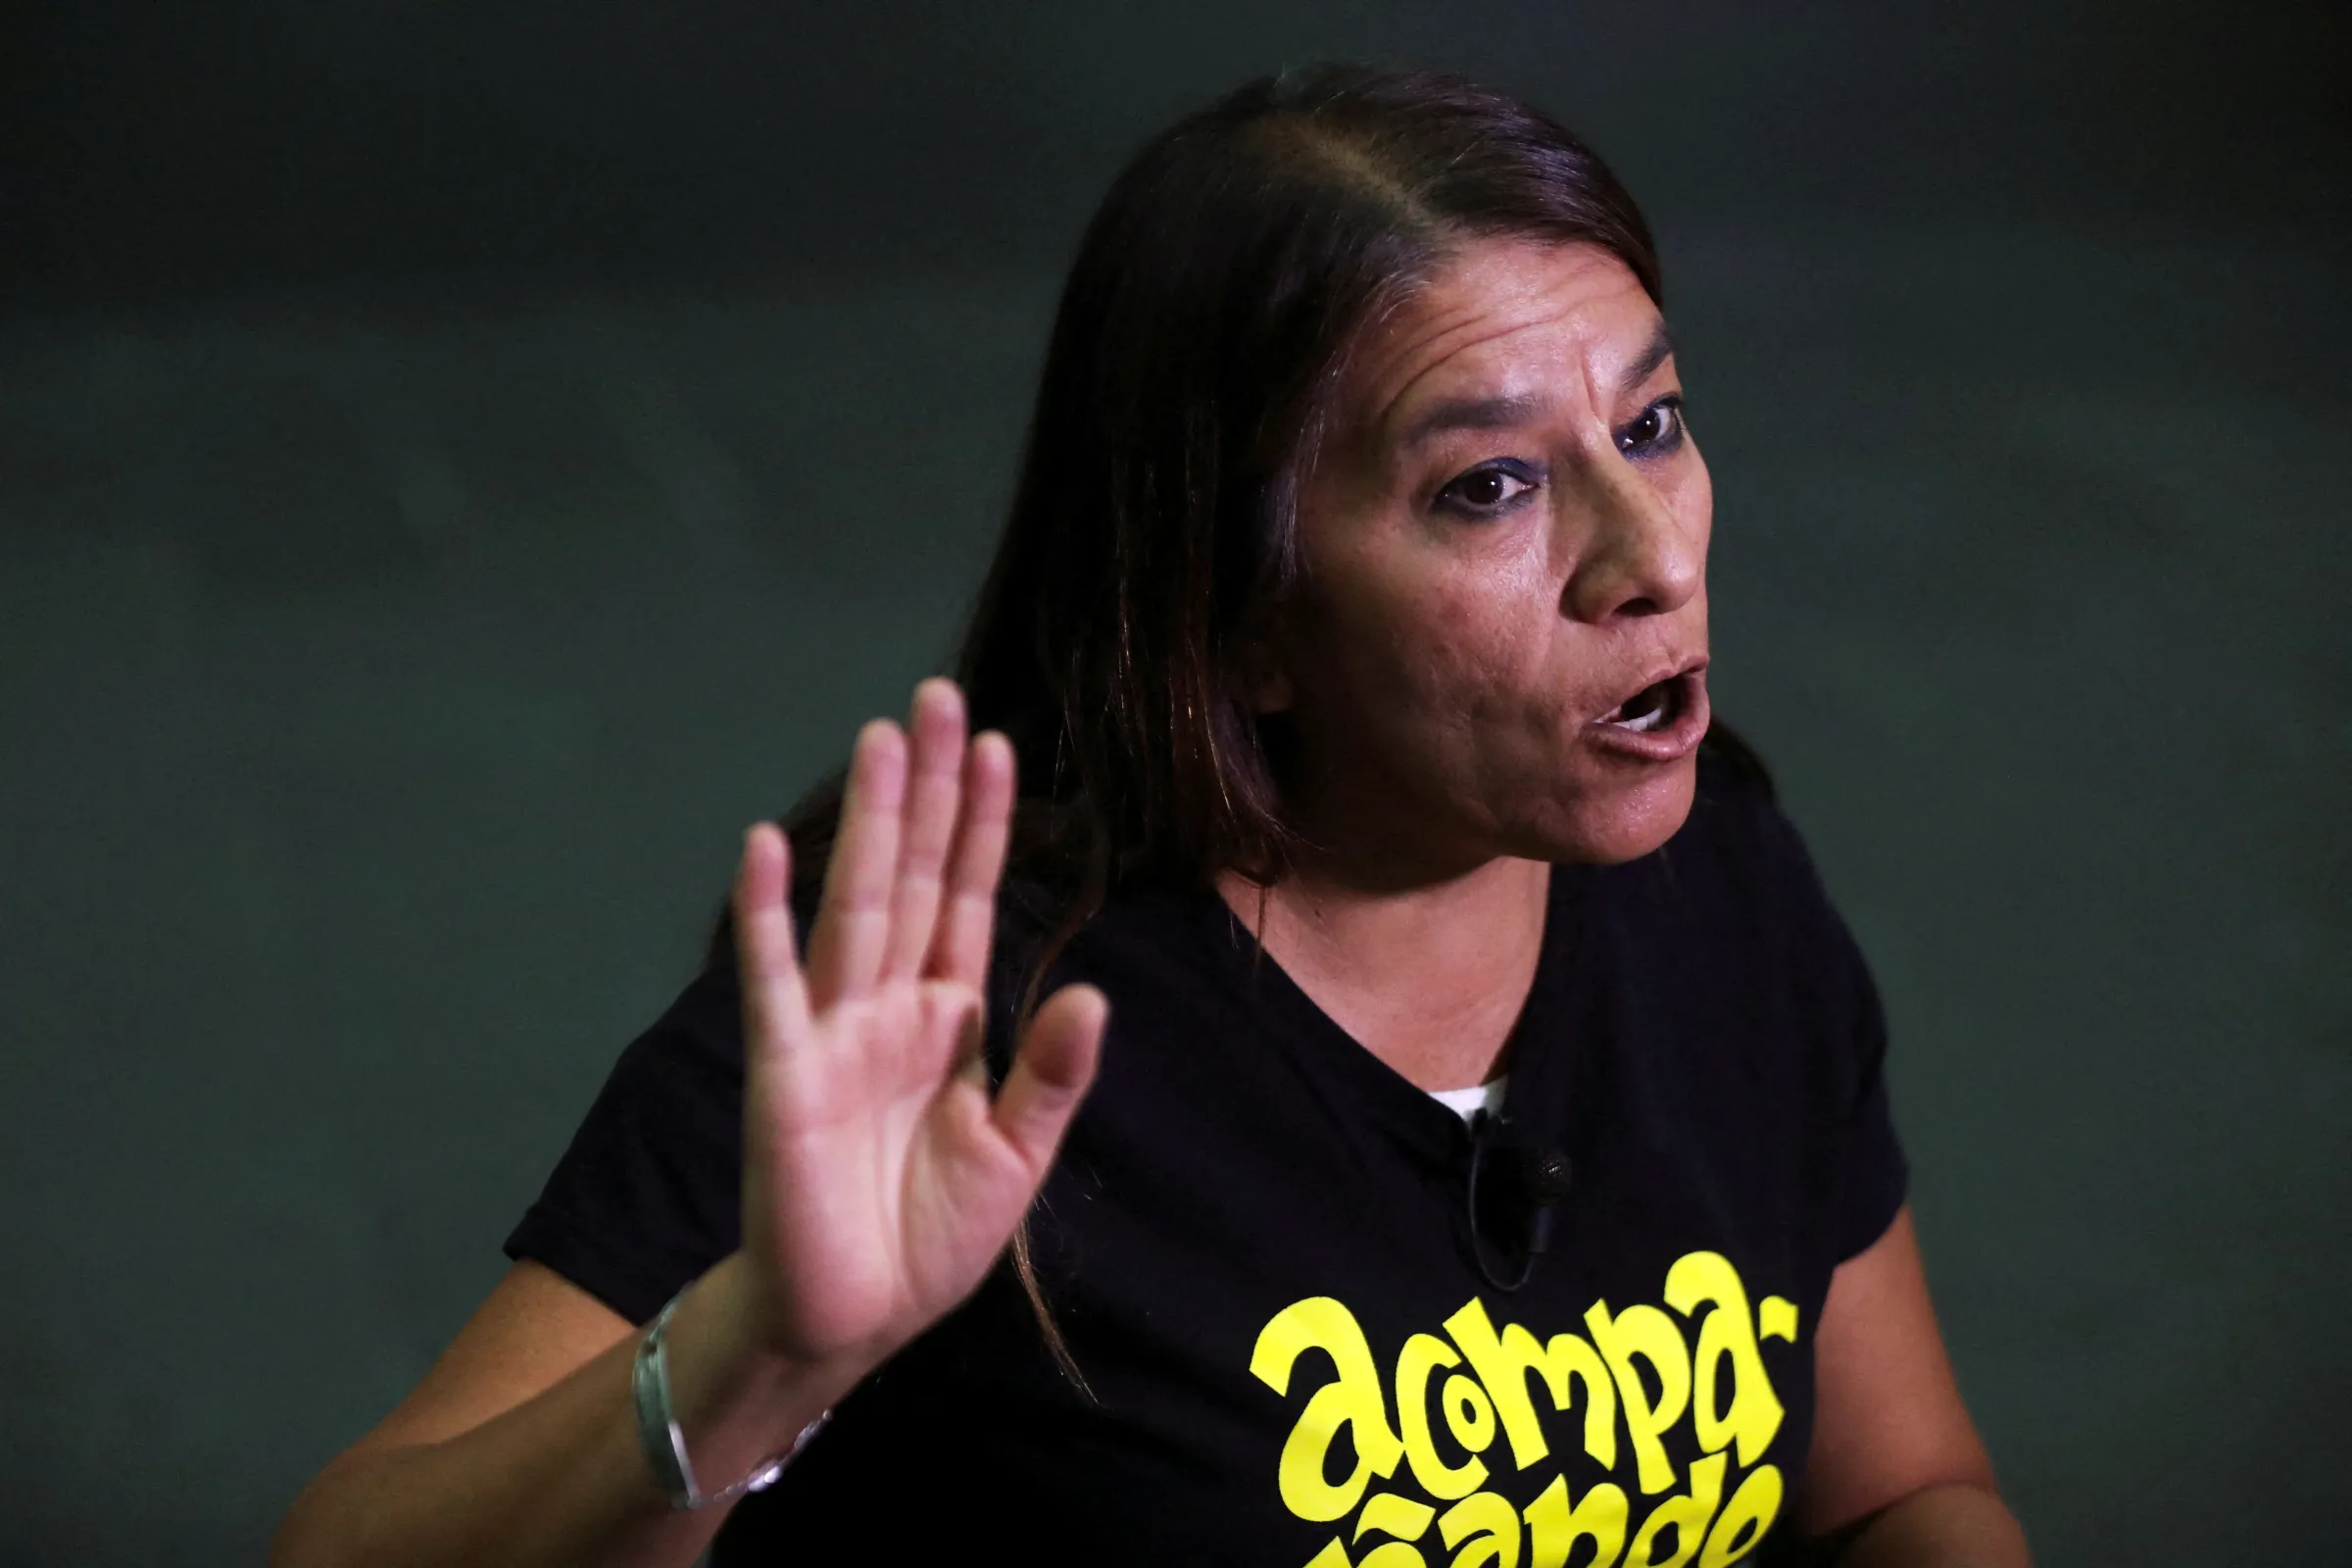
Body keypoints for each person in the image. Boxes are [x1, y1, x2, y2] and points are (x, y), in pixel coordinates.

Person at [271, 64, 2031, 1568]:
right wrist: (758, 1356)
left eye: (1652, 423)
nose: (1651, 561)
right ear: (1244, 615)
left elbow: (1903, 1496)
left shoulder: (1719, 883)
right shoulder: (955, 1008)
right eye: (1488, 486)